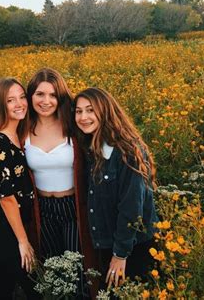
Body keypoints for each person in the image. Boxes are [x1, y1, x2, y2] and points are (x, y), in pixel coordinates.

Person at [74, 87, 159, 289]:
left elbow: (131, 208)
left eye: (90, 110)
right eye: (78, 111)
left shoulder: (127, 151)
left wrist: (120, 254)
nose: (83, 117)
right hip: (108, 244)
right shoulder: (91, 146)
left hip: (133, 246)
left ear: (105, 111)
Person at [25, 68, 96, 298]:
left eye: (53, 95)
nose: (46, 101)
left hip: (73, 207)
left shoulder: (73, 126)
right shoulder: (22, 129)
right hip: (42, 209)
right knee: (52, 273)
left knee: (77, 274)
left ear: (61, 97)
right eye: (40, 94)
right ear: (31, 96)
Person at [0, 77, 40, 299]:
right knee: (35, 288)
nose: (19, 104)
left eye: (22, 97)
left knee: (3, 288)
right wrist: (23, 241)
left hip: (12, 225)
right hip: (5, 228)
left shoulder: (17, 135)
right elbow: (7, 198)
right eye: (10, 100)